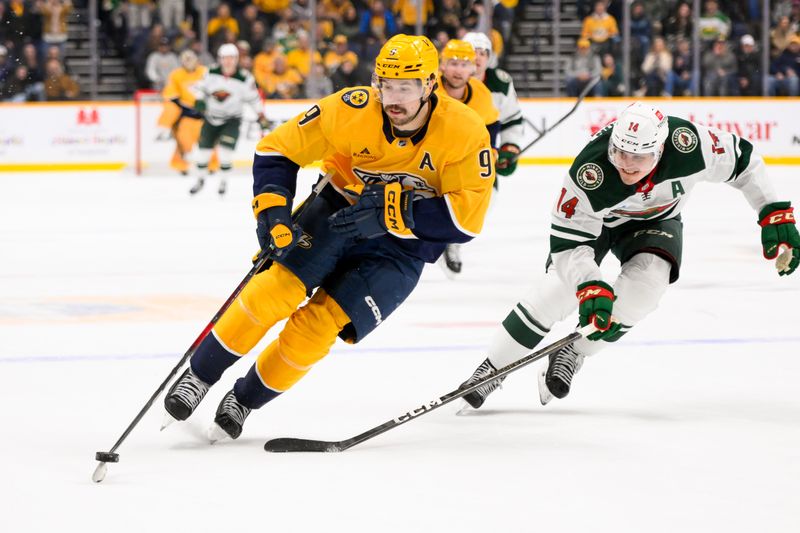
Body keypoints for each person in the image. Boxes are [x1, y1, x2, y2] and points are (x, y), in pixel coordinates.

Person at [162, 34, 495, 441]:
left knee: (316, 329)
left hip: (403, 246)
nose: (393, 98)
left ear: (429, 85)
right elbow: (277, 150)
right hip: (337, 211)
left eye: (405, 87)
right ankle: (199, 375)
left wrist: (390, 213)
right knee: (272, 292)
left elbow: (466, 219)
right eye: (386, 85)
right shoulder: (351, 108)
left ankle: (244, 400)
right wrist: (273, 212)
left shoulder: (464, 129)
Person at [459, 101, 799, 410]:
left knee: (645, 290)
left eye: (638, 157)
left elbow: (743, 161)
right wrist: (589, 284)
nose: (626, 165)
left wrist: (772, 211)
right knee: (558, 291)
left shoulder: (689, 145)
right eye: (620, 153)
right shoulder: (590, 171)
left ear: (661, 149)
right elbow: (568, 244)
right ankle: (492, 367)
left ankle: (574, 352)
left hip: (657, 221)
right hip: (597, 227)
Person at [435, 38, 500, 278]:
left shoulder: (481, 94)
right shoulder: (429, 88)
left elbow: (491, 124)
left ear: (473, 68)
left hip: (461, 162)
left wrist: (492, 150)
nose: (458, 70)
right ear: (442, 65)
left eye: (464, 64)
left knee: (477, 200)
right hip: (426, 158)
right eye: (453, 63)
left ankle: (452, 242)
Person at [188, 43, 270, 196]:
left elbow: (254, 99)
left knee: (225, 152)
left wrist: (260, 115)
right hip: (211, 118)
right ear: (220, 59)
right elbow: (197, 88)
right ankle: (200, 180)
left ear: (237, 59)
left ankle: (223, 182)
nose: (228, 61)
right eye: (225, 58)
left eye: (231, 58)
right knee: (203, 153)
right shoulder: (210, 72)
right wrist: (199, 100)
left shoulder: (245, 78)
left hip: (232, 119)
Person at [463, 31, 524, 179]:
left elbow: (511, 120)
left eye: (483, 53)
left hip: (484, 163)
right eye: (473, 52)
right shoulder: (446, 82)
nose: (477, 57)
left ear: (489, 58)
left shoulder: (500, 83)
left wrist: (509, 147)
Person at [156, 50, 220, 176]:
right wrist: (181, 108)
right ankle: (181, 166)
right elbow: (170, 95)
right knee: (184, 142)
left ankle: (212, 166)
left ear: (197, 60)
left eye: (191, 59)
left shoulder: (205, 72)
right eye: (186, 60)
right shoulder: (176, 75)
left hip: (204, 115)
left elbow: (215, 90)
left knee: (209, 142)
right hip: (187, 115)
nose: (189, 62)